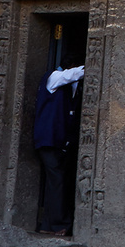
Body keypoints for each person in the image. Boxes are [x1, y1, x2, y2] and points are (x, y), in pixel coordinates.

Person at [34, 52, 84, 237]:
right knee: (57, 181)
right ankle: (58, 223)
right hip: (48, 140)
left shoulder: (68, 85)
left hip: (59, 141)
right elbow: (73, 75)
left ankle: (48, 224)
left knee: (56, 182)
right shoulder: (54, 77)